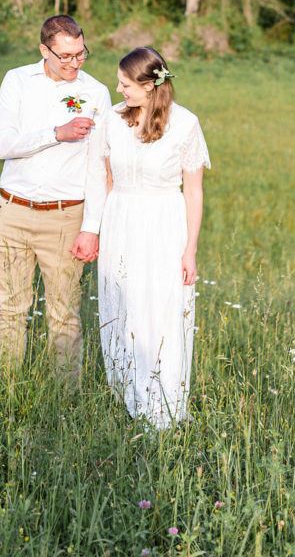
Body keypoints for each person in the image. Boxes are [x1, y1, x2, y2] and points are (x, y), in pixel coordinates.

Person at [0, 14, 111, 381]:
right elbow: (2, 145)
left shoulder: (96, 92)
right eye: (65, 56)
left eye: (81, 54)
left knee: (64, 314)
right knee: (10, 310)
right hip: (12, 212)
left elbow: (99, 167)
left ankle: (64, 402)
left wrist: (91, 228)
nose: (74, 63)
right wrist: (56, 133)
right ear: (44, 50)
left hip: (65, 217)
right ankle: (4, 393)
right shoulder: (17, 81)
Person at [97, 46, 210, 428]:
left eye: (126, 83)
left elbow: (193, 192)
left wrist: (189, 251)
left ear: (149, 85)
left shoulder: (185, 124)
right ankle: (126, 394)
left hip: (163, 224)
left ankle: (162, 404)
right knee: (124, 305)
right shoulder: (112, 120)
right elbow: (107, 180)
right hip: (121, 220)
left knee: (158, 311)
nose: (119, 88)